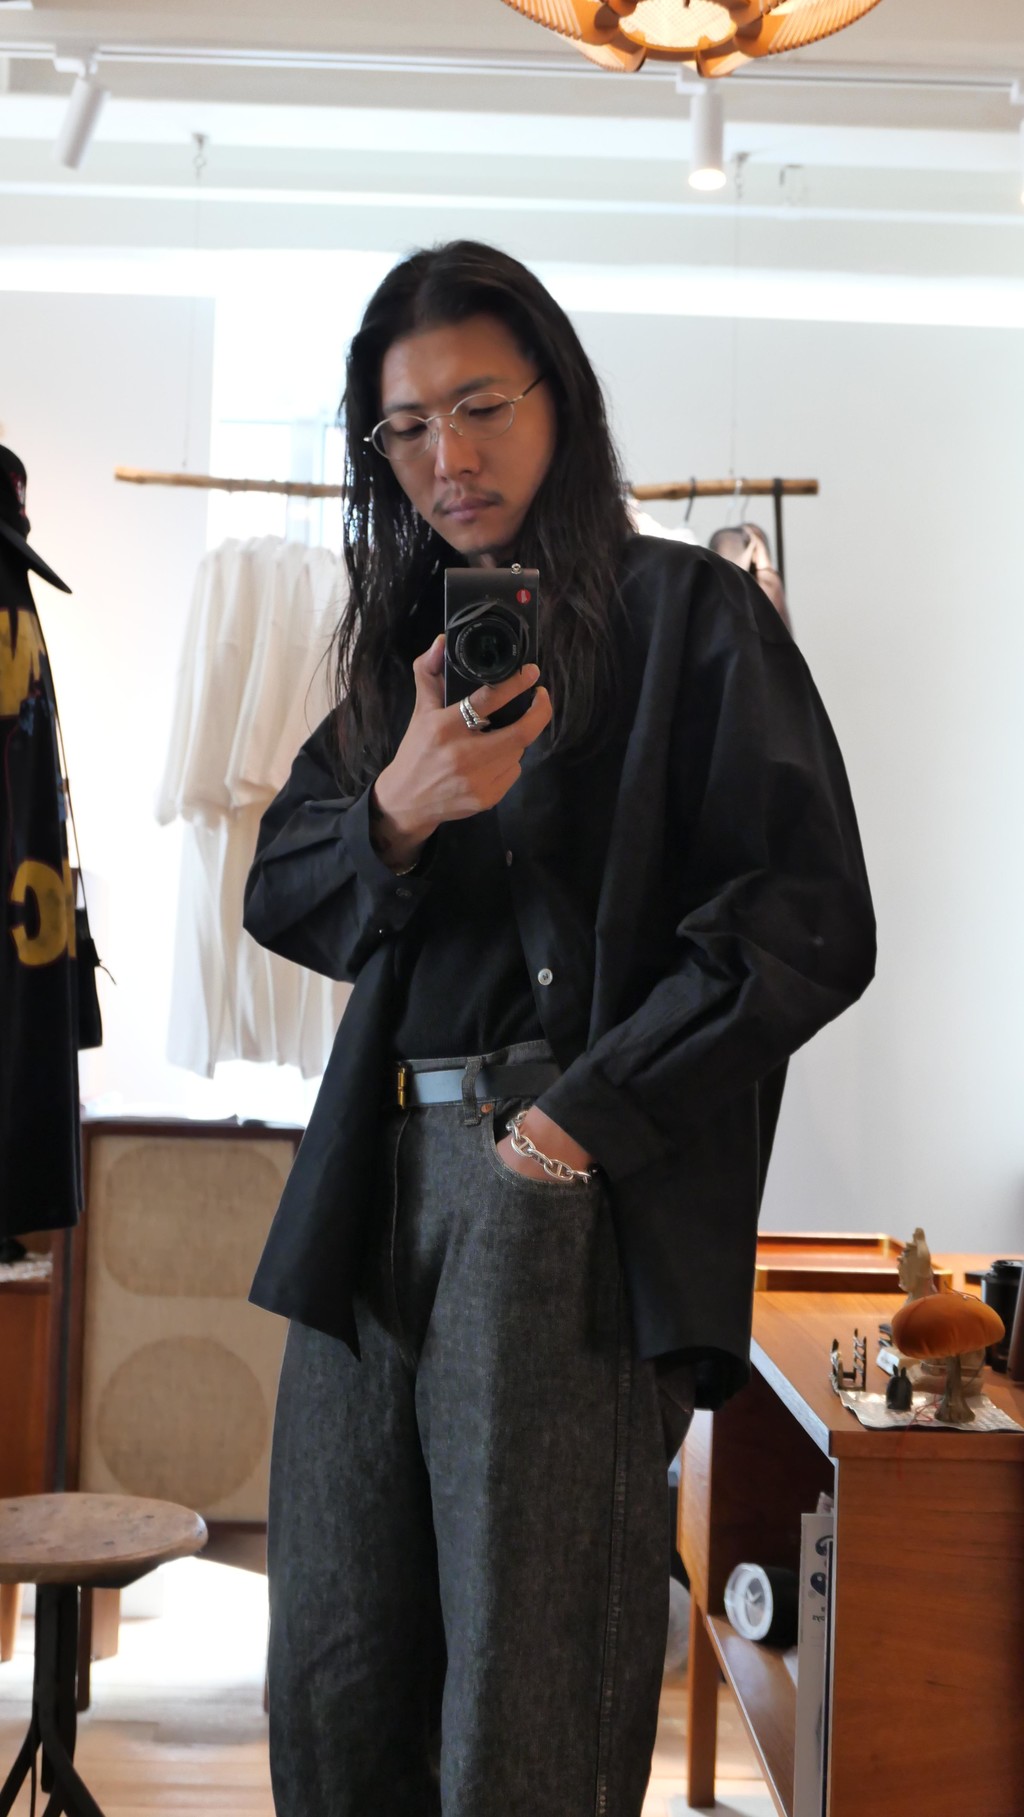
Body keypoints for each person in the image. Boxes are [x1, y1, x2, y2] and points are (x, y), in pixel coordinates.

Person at [242, 239, 875, 1817]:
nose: (445, 457)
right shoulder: (409, 662)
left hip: (552, 1192)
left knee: (528, 1691)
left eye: (479, 407)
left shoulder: (693, 616)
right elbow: (280, 888)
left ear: (557, 402)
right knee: (331, 1668)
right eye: (406, 427)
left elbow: (806, 917)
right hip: (365, 1196)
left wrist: (578, 1122)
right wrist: (397, 808)